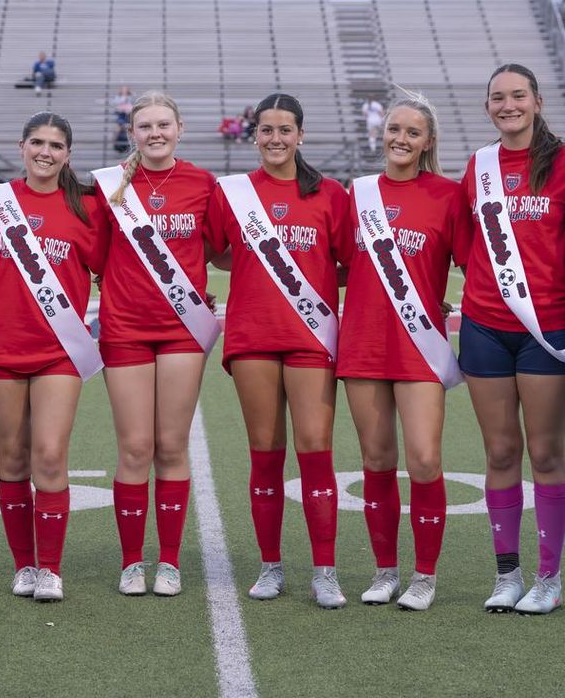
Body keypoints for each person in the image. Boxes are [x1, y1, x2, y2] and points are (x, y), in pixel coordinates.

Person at [205, 92, 351, 609]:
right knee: (265, 453)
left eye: (284, 130)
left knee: (315, 449)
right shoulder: (234, 193)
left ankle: (325, 571)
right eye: (266, 130)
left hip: (311, 338)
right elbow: (217, 251)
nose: (275, 138)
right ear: (254, 136)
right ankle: (270, 566)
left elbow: (350, 263)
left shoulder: (331, 194)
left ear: (300, 135)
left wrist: (306, 278)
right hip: (252, 337)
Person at [458, 63, 565, 614]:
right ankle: (507, 573)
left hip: (548, 330)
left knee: (544, 450)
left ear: (536, 101)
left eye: (518, 95)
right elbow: (468, 249)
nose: (507, 105)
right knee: (500, 449)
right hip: (485, 325)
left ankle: (550, 579)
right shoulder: (479, 165)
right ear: (488, 106)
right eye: (497, 97)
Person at [338, 93, 468, 610]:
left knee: (424, 459)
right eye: (394, 129)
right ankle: (385, 570)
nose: (401, 139)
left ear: (428, 142)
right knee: (375, 459)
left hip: (420, 345)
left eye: (413, 132)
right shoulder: (359, 194)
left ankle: (425, 575)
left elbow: (471, 264)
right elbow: (338, 265)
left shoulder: (448, 195)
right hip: (365, 341)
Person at [0, 111, 110, 601]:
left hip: (59, 350)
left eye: (55, 145)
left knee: (50, 455)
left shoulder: (88, 210)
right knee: (12, 458)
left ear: (68, 154)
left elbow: (115, 271)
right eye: (37, 142)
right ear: (22, 146)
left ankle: (50, 568)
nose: (45, 152)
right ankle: (24, 565)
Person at [91, 92, 219, 597]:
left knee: (171, 444)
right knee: (135, 447)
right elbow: (96, 257)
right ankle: (130, 562)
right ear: (132, 133)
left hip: (182, 331)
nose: (155, 133)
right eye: (144, 126)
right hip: (124, 329)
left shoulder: (203, 184)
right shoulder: (110, 187)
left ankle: (168, 560)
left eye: (163, 124)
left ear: (180, 129)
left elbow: (218, 247)